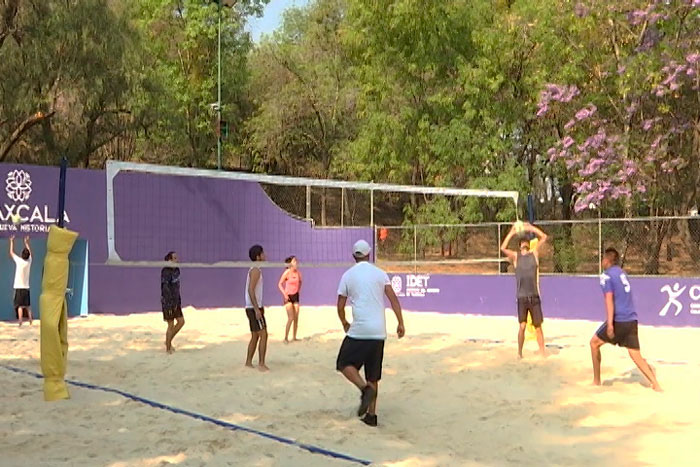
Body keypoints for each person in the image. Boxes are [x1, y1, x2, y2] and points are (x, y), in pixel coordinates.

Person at [336, 239, 405, 427]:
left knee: (343, 363)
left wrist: (344, 322)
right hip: (378, 331)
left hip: (360, 330)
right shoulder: (380, 274)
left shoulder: (348, 275)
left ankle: (365, 389)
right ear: (369, 255)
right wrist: (400, 323)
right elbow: (394, 300)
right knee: (373, 375)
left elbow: (340, 305)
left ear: (354, 256)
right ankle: (372, 416)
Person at [590, 248, 662, 391]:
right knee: (635, 354)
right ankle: (655, 383)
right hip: (631, 318)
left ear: (607, 261)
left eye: (603, 259)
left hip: (619, 320)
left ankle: (597, 380)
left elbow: (609, 299)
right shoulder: (622, 273)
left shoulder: (606, 276)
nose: (602, 261)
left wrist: (610, 323)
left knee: (594, 343)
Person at [500, 222, 548, 358]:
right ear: (520, 246)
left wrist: (531, 228)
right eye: (522, 242)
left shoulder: (534, 254)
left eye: (526, 242)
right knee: (522, 326)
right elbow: (503, 248)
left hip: (534, 296)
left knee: (538, 326)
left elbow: (544, 237)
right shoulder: (516, 257)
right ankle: (519, 353)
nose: (524, 244)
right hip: (522, 297)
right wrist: (511, 232)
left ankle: (543, 352)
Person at [245, 244, 269, 371]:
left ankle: (248, 362)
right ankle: (261, 363)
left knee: (255, 335)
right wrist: (256, 309)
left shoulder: (255, 269)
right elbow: (250, 290)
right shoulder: (255, 270)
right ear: (258, 256)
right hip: (254, 308)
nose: (265, 255)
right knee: (264, 334)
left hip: (252, 307)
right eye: (263, 253)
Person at [161, 251, 184, 354]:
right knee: (171, 324)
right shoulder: (165, 271)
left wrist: (177, 301)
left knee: (181, 322)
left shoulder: (177, 270)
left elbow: (177, 288)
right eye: (174, 258)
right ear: (169, 260)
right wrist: (171, 303)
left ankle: (167, 341)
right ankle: (168, 349)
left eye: (176, 258)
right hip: (168, 302)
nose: (177, 260)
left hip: (176, 301)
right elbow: (165, 289)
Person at [278, 255, 302, 343]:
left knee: (296, 317)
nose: (296, 262)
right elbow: (279, 284)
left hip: (295, 296)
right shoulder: (287, 272)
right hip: (288, 296)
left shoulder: (298, 273)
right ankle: (285, 338)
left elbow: (300, 282)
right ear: (290, 263)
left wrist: (298, 290)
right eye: (294, 261)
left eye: (296, 261)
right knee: (291, 317)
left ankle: (294, 337)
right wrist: (284, 294)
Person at [10, 236, 32, 326]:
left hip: (19, 287)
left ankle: (20, 322)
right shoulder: (29, 262)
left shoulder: (19, 261)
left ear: (22, 255)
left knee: (19, 306)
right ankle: (30, 320)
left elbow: (11, 252)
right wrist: (26, 243)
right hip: (26, 287)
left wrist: (11, 241)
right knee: (27, 306)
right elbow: (30, 253)